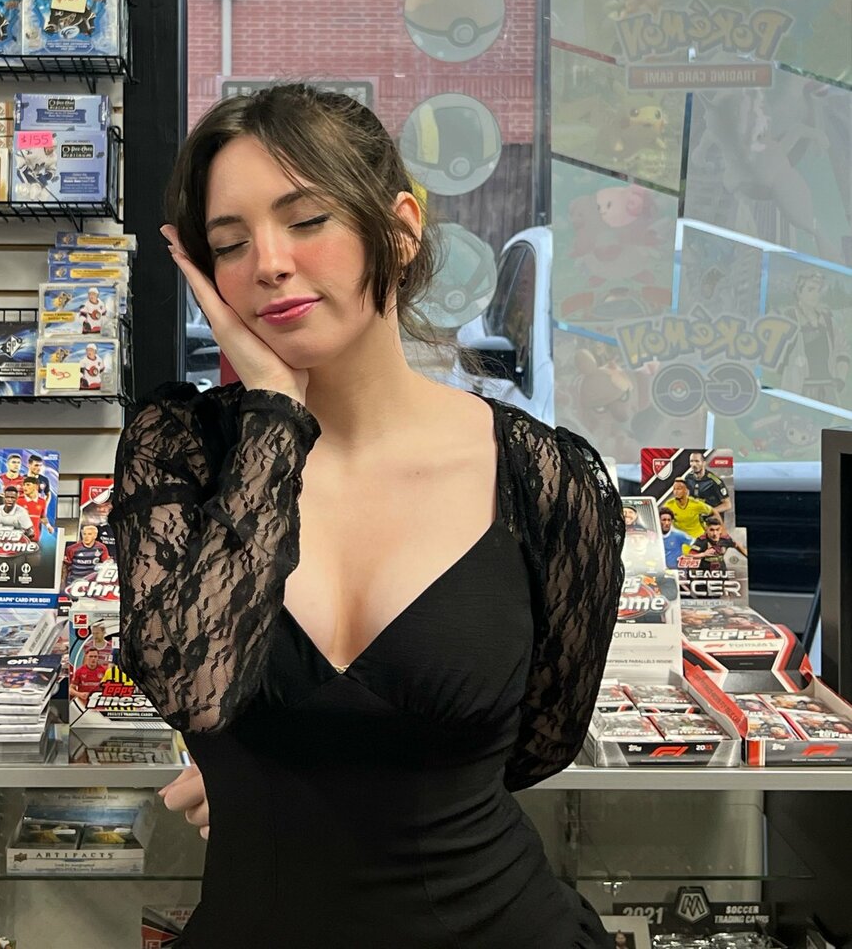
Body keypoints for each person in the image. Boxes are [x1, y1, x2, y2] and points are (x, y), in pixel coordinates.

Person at [111, 84, 623, 948]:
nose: (268, 263)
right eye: (229, 244)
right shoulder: (181, 453)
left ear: (399, 228)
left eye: (307, 220)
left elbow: (541, 743)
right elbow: (194, 687)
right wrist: (274, 411)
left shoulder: (541, 476)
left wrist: (322, 780)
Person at [683, 451, 732, 522]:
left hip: (713, 521)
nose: (694, 464)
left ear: (704, 463)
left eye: (697, 461)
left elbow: (727, 505)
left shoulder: (714, 481)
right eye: (691, 461)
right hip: (695, 521)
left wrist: (709, 511)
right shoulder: (688, 478)